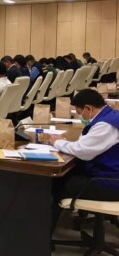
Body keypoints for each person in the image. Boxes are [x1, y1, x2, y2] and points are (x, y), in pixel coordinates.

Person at [50, 90, 119, 230]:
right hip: (110, 175)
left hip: (109, 181)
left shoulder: (105, 125)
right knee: (65, 177)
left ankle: (42, 237)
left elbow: (83, 151)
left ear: (88, 108)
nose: (81, 116)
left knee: (54, 185)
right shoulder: (111, 115)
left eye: (79, 112)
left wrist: (57, 142)